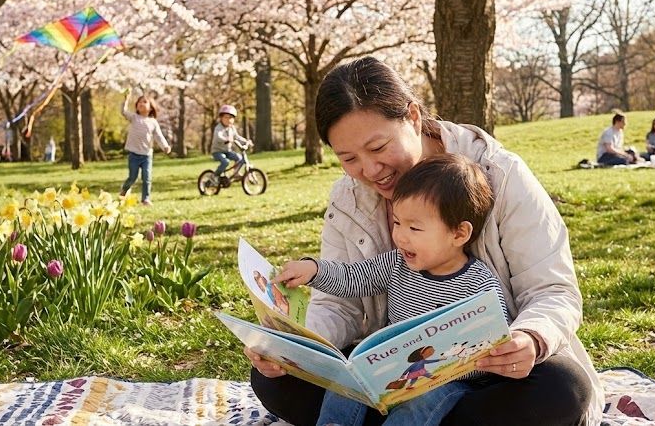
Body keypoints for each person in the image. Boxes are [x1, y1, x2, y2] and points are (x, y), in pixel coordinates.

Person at [245, 56, 602, 426]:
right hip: (391, 374)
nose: (369, 170)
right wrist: (293, 348)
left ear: (413, 118)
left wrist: (529, 338)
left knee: (563, 389)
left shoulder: (500, 174)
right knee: (276, 380)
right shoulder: (349, 198)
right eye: (348, 158)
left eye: (379, 147)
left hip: (487, 375)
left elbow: (553, 290)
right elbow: (341, 303)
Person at [274, 153, 509, 426]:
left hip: (446, 382)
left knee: (423, 401)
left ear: (458, 234)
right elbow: (354, 277)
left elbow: (493, 345)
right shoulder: (397, 263)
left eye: (414, 227)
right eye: (397, 223)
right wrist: (314, 270)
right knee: (348, 378)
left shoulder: (480, 284)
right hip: (389, 372)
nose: (400, 236)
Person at [119, 88, 171, 205]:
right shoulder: (134, 117)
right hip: (134, 154)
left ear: (151, 108)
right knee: (132, 177)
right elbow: (123, 111)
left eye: (144, 102)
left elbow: (159, 136)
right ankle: (124, 190)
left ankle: (145, 199)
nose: (141, 104)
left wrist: (165, 146)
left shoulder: (153, 122)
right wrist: (126, 100)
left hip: (147, 155)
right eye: (139, 102)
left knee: (147, 178)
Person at [210, 105, 251, 183]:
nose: (228, 120)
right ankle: (214, 176)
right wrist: (226, 139)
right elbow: (218, 136)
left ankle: (236, 173)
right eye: (226, 117)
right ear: (221, 118)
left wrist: (246, 141)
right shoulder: (218, 128)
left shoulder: (232, 128)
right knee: (225, 162)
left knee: (239, 158)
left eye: (230, 118)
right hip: (217, 152)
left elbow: (237, 137)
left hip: (227, 151)